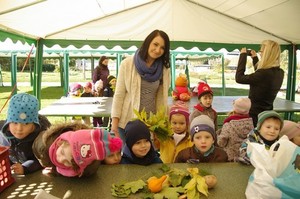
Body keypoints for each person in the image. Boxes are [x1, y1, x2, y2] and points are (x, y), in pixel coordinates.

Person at [111, 30, 171, 142]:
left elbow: (162, 98)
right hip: (127, 122)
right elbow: (119, 95)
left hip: (151, 124)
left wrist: (161, 124)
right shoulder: (127, 64)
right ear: (148, 42)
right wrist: (114, 126)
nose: (158, 50)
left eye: (162, 48)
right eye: (155, 44)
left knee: (148, 156)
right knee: (129, 157)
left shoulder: (164, 69)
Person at [33, 122, 123, 177]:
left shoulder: (87, 165)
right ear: (60, 143)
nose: (60, 159)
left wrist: (55, 171)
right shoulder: (43, 147)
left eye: (67, 162)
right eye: (62, 152)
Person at [235, 40, 284, 127]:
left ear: (267, 53)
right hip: (267, 113)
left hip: (255, 116)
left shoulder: (263, 74)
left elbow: (239, 78)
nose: (260, 53)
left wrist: (243, 56)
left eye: (261, 51)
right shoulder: (280, 72)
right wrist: (254, 58)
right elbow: (261, 76)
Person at [0, 93, 51, 175]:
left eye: (26, 124)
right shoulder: (3, 132)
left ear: (34, 126)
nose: (19, 128)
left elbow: (41, 160)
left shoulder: (40, 139)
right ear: (8, 123)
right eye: (15, 122)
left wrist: (25, 167)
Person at [217, 97, 254, 162]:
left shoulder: (229, 125)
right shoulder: (251, 124)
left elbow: (221, 142)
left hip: (230, 159)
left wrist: (217, 135)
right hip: (245, 158)